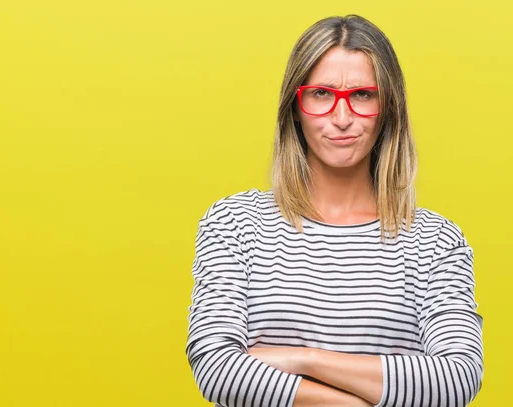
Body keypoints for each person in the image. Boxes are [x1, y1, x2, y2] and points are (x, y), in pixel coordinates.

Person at [185, 14, 484, 407]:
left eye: (362, 95)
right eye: (322, 94)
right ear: (295, 106)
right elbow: (215, 366)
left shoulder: (436, 241)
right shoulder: (234, 224)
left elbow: (457, 379)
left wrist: (303, 359)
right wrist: (357, 401)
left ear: (388, 107)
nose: (341, 119)